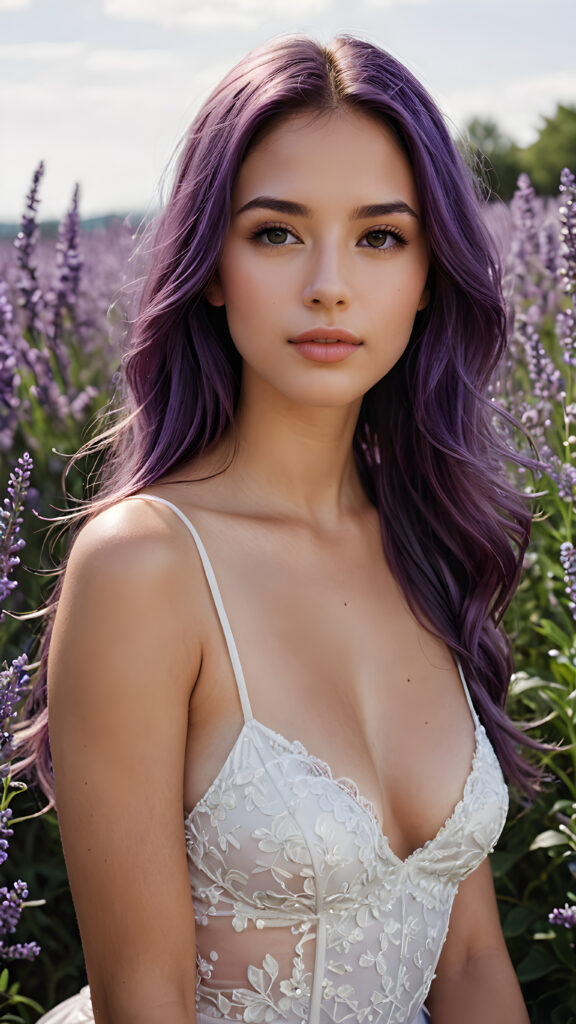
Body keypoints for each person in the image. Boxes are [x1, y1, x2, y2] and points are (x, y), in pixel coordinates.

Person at [22, 33, 536, 1024]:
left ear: (431, 273)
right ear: (211, 265)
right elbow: (147, 998)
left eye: (382, 236)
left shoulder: (427, 539)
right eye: (276, 232)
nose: (330, 286)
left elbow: (468, 956)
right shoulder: (147, 565)